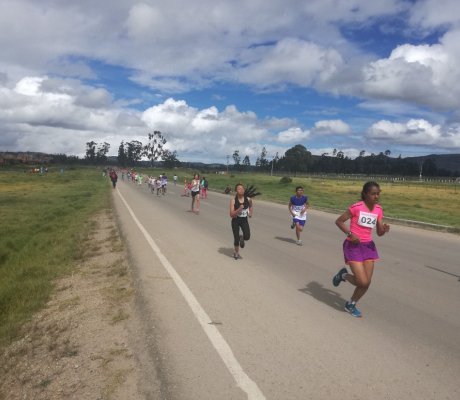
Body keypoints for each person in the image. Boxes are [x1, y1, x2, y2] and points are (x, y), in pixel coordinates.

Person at [332, 181, 390, 318]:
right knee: (362, 281)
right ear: (365, 194)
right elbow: (339, 221)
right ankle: (343, 275)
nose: (376, 196)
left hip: (368, 246)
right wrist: (350, 234)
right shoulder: (357, 207)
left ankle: (351, 304)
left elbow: (379, 233)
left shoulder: (378, 209)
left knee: (366, 283)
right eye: (373, 194)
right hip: (353, 246)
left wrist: (384, 229)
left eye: (378, 194)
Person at [229, 184, 260, 260]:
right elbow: (231, 214)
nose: (241, 190)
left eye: (242, 188)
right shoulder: (233, 200)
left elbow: (251, 206)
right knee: (236, 239)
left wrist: (250, 213)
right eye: (239, 189)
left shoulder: (248, 199)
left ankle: (242, 237)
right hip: (235, 221)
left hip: (244, 221)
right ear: (236, 190)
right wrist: (239, 209)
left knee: (247, 236)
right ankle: (236, 253)